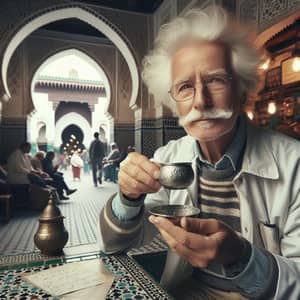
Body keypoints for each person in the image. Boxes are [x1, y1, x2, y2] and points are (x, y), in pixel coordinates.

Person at [98, 6, 300, 300]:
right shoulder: (168, 159)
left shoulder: (294, 165)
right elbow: (114, 247)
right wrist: (128, 197)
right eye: (185, 87)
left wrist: (242, 258)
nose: (200, 101)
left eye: (216, 80)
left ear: (242, 88)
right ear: (173, 101)